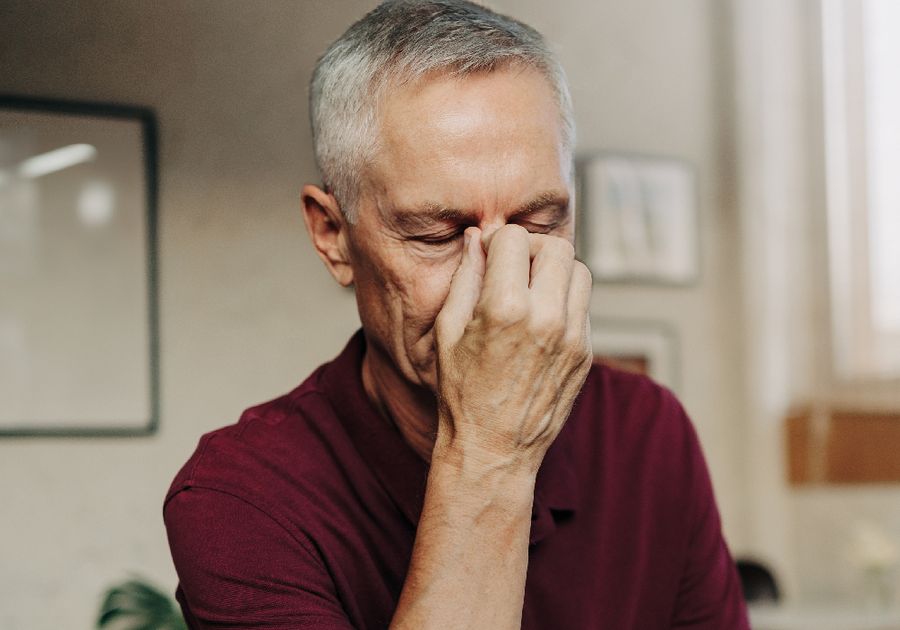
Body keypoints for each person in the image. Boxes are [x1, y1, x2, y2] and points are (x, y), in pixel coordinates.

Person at [163, 1, 750, 628]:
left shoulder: (646, 431)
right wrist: (494, 447)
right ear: (334, 236)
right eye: (437, 236)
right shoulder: (240, 499)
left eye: (538, 222)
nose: (501, 283)